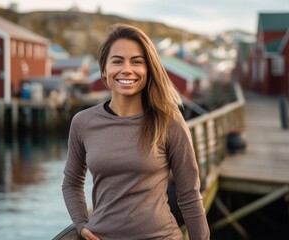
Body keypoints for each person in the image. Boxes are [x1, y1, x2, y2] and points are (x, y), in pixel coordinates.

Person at [62, 23, 210, 240]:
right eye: (117, 61)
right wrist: (81, 223)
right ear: (104, 69)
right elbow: (72, 183)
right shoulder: (83, 122)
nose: (127, 69)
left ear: (148, 69)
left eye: (137, 62)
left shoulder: (168, 120)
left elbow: (189, 195)